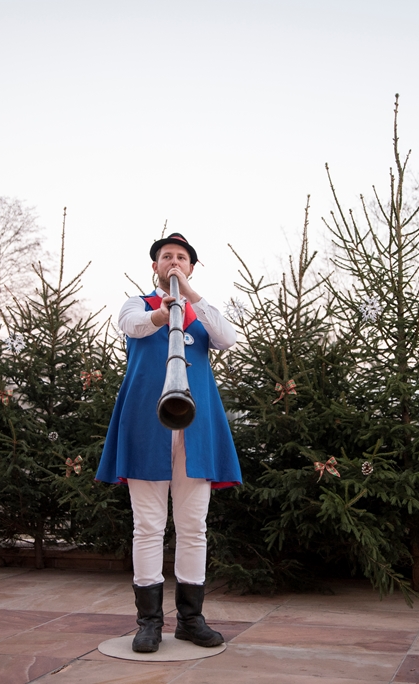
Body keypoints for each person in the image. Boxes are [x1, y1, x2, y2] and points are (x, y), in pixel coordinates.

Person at [96, 232, 242, 653]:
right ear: (155, 266)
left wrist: (190, 298)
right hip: (147, 427)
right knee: (148, 526)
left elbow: (227, 338)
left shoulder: (203, 312)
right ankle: (149, 623)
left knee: (194, 527)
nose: (173, 262)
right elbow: (131, 326)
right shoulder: (137, 305)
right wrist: (163, 314)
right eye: (166, 257)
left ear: (191, 267)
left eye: (181, 257)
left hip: (197, 429)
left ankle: (191, 621)